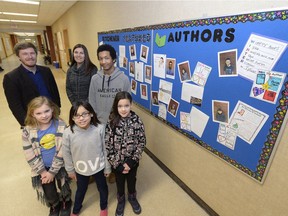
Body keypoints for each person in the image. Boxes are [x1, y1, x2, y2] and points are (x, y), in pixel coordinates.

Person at [22, 96, 72, 216]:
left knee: (63, 186)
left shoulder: (61, 125)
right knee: (49, 191)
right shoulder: (27, 131)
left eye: (46, 111)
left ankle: (66, 201)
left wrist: (53, 172)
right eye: (38, 113)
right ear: (32, 114)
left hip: (60, 165)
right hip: (42, 168)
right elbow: (29, 153)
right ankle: (54, 205)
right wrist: (43, 172)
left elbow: (63, 150)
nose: (44, 115)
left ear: (52, 109)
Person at [89, 44, 130, 184]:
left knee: (115, 147)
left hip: (116, 121)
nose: (103, 61)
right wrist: (94, 119)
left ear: (113, 59)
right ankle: (98, 171)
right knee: (98, 147)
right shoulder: (95, 79)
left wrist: (120, 118)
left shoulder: (123, 79)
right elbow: (91, 100)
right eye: (100, 58)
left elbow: (127, 101)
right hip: (99, 121)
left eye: (107, 58)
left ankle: (113, 170)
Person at [62, 101, 111, 216]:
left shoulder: (100, 128)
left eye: (85, 114)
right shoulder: (68, 133)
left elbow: (105, 149)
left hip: (99, 167)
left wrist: (107, 167)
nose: (81, 118)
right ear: (72, 118)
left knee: (102, 188)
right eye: (77, 115)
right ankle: (76, 209)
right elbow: (66, 153)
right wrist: (70, 170)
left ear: (92, 114)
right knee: (81, 190)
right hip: (80, 169)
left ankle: (103, 206)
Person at [105, 91, 146, 216]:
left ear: (131, 105)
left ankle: (132, 197)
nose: (123, 109)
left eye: (126, 106)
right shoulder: (111, 122)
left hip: (132, 162)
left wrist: (131, 162)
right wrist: (117, 164)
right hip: (117, 163)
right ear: (115, 106)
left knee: (132, 180)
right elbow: (107, 145)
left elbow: (142, 142)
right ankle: (121, 200)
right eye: (120, 106)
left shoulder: (137, 120)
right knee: (120, 182)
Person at [3, 42, 61, 127]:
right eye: (25, 54)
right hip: (33, 121)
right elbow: (15, 105)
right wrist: (26, 124)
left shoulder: (46, 71)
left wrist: (57, 109)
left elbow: (54, 91)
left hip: (51, 114)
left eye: (32, 53)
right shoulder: (11, 78)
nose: (30, 57)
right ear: (19, 56)